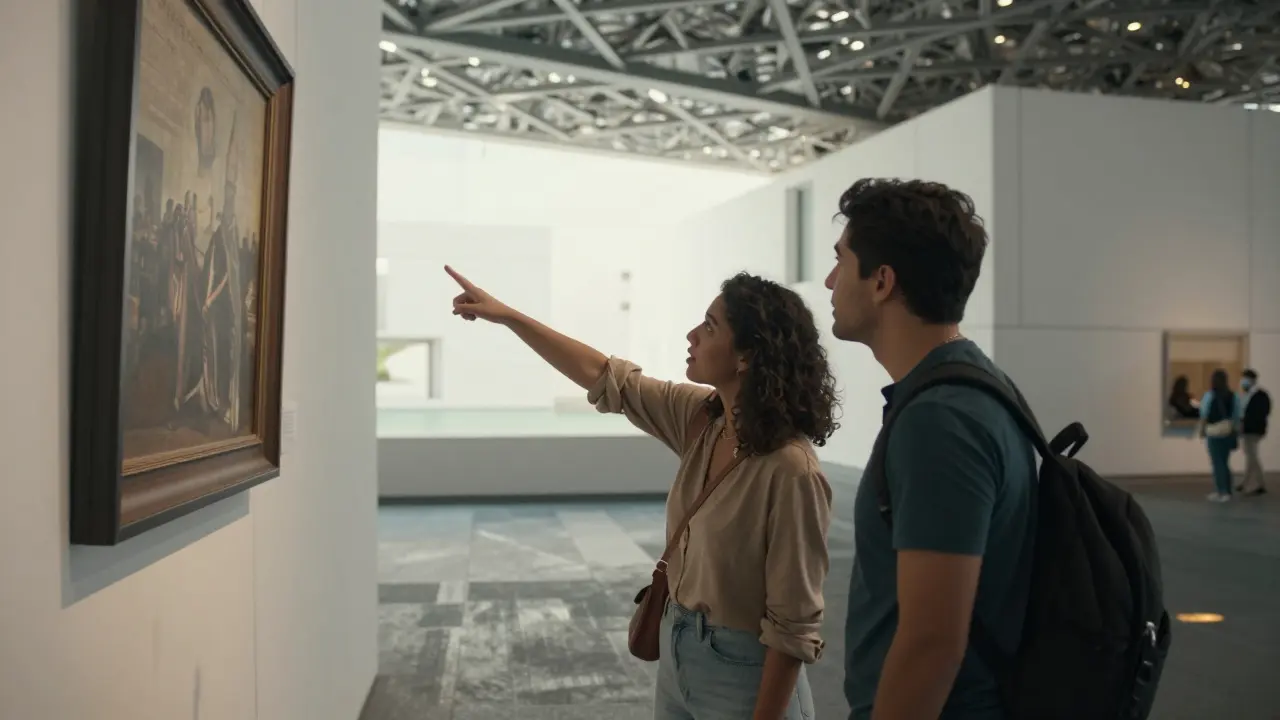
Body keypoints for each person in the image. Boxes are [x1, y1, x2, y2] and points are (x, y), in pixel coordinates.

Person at [445, 265, 838, 720]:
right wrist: (508, 316)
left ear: (746, 356)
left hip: (745, 674)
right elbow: (607, 376)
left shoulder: (791, 471)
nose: (692, 335)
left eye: (710, 326)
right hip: (676, 654)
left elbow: (794, 626)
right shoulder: (703, 418)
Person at [825, 179, 1036, 719]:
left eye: (840, 261)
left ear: (882, 281)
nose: (829, 281)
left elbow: (932, 643)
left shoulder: (940, 419)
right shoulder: (970, 386)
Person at [1198, 368, 1240, 502]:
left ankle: (1221, 491)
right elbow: (1236, 416)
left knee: (1217, 463)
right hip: (1227, 432)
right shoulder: (1233, 396)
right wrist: (1235, 431)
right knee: (1225, 462)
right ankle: (1227, 490)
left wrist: (1201, 430)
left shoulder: (1209, 395)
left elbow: (1204, 414)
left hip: (1214, 433)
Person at [1238, 369, 1270, 495]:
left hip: (1254, 430)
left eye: (1245, 379)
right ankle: (1247, 482)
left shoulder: (1261, 395)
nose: (1243, 381)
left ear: (1252, 380)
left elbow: (1262, 413)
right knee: (1250, 456)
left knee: (1252, 456)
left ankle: (1257, 483)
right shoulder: (1246, 394)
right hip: (1246, 430)